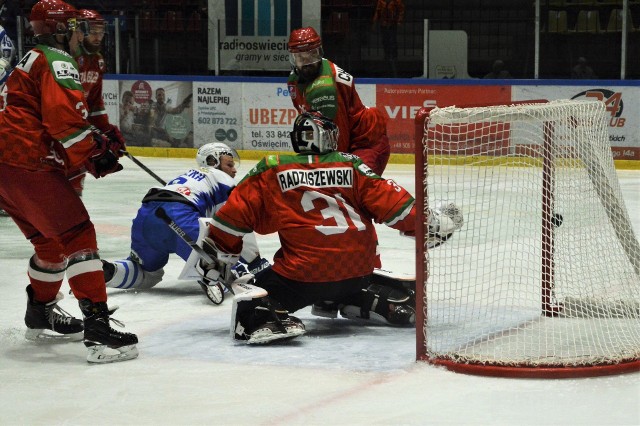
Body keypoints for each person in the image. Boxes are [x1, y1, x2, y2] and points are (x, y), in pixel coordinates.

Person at [196, 112, 463, 344]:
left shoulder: (273, 167)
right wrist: (428, 224)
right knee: (346, 276)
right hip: (358, 272)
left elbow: (232, 217)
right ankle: (345, 298)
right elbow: (398, 208)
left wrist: (220, 255)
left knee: (251, 288)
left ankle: (264, 316)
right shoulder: (353, 165)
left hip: (301, 280)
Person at [0, 0, 138, 364]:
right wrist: (96, 153)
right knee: (79, 236)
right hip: (30, 162)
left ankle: (39, 312)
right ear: (63, 29)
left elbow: (79, 113)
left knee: (50, 245)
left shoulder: (36, 56)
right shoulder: (58, 59)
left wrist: (102, 137)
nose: (83, 32)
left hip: (7, 168)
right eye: (77, 26)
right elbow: (65, 122)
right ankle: (98, 330)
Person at [102, 142, 270, 304]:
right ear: (212, 162)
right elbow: (236, 221)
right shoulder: (222, 179)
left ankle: (107, 271)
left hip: (146, 216)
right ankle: (210, 275)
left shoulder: (186, 177)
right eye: (229, 165)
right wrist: (255, 263)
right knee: (225, 269)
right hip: (180, 217)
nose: (233, 170)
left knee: (147, 273)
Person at [286, 27, 391, 176]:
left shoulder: (324, 89)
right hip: (353, 139)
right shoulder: (294, 80)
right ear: (293, 58)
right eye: (300, 57)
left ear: (319, 52)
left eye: (311, 55)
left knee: (350, 186)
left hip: (366, 143)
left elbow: (337, 139)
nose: (307, 62)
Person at [70, 9, 125, 197]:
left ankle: (72, 198)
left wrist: (106, 130)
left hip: (76, 123)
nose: (98, 37)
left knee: (79, 164)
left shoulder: (98, 60)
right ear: (80, 31)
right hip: (59, 122)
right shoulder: (68, 57)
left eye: (101, 32)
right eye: (93, 31)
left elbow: (94, 102)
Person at [372, 0, 405, 77]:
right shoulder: (381, 1)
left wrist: (399, 21)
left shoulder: (396, 1)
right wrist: (374, 22)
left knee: (392, 40)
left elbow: (401, 10)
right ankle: (387, 54)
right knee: (385, 40)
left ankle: (393, 55)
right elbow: (377, 12)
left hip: (392, 23)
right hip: (383, 23)